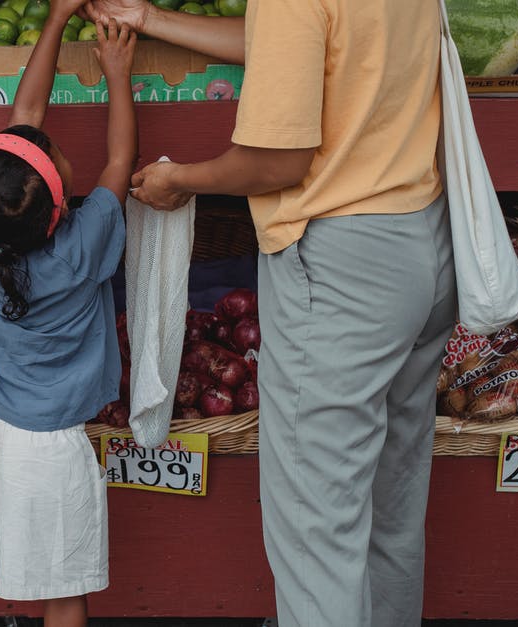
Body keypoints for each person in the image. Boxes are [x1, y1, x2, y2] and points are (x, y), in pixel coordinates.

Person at [85, 1, 455, 626]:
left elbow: (276, 162)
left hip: (343, 264)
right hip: (420, 237)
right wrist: (150, 18)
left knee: (317, 536)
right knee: (390, 513)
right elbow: (299, 44)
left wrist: (182, 181)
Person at [0, 5, 138, 627]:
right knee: (64, 594)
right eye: (56, 158)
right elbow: (121, 160)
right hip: (50, 451)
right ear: (57, 200)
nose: (60, 151)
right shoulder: (83, 242)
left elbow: (25, 119)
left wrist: (55, 16)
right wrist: (117, 72)